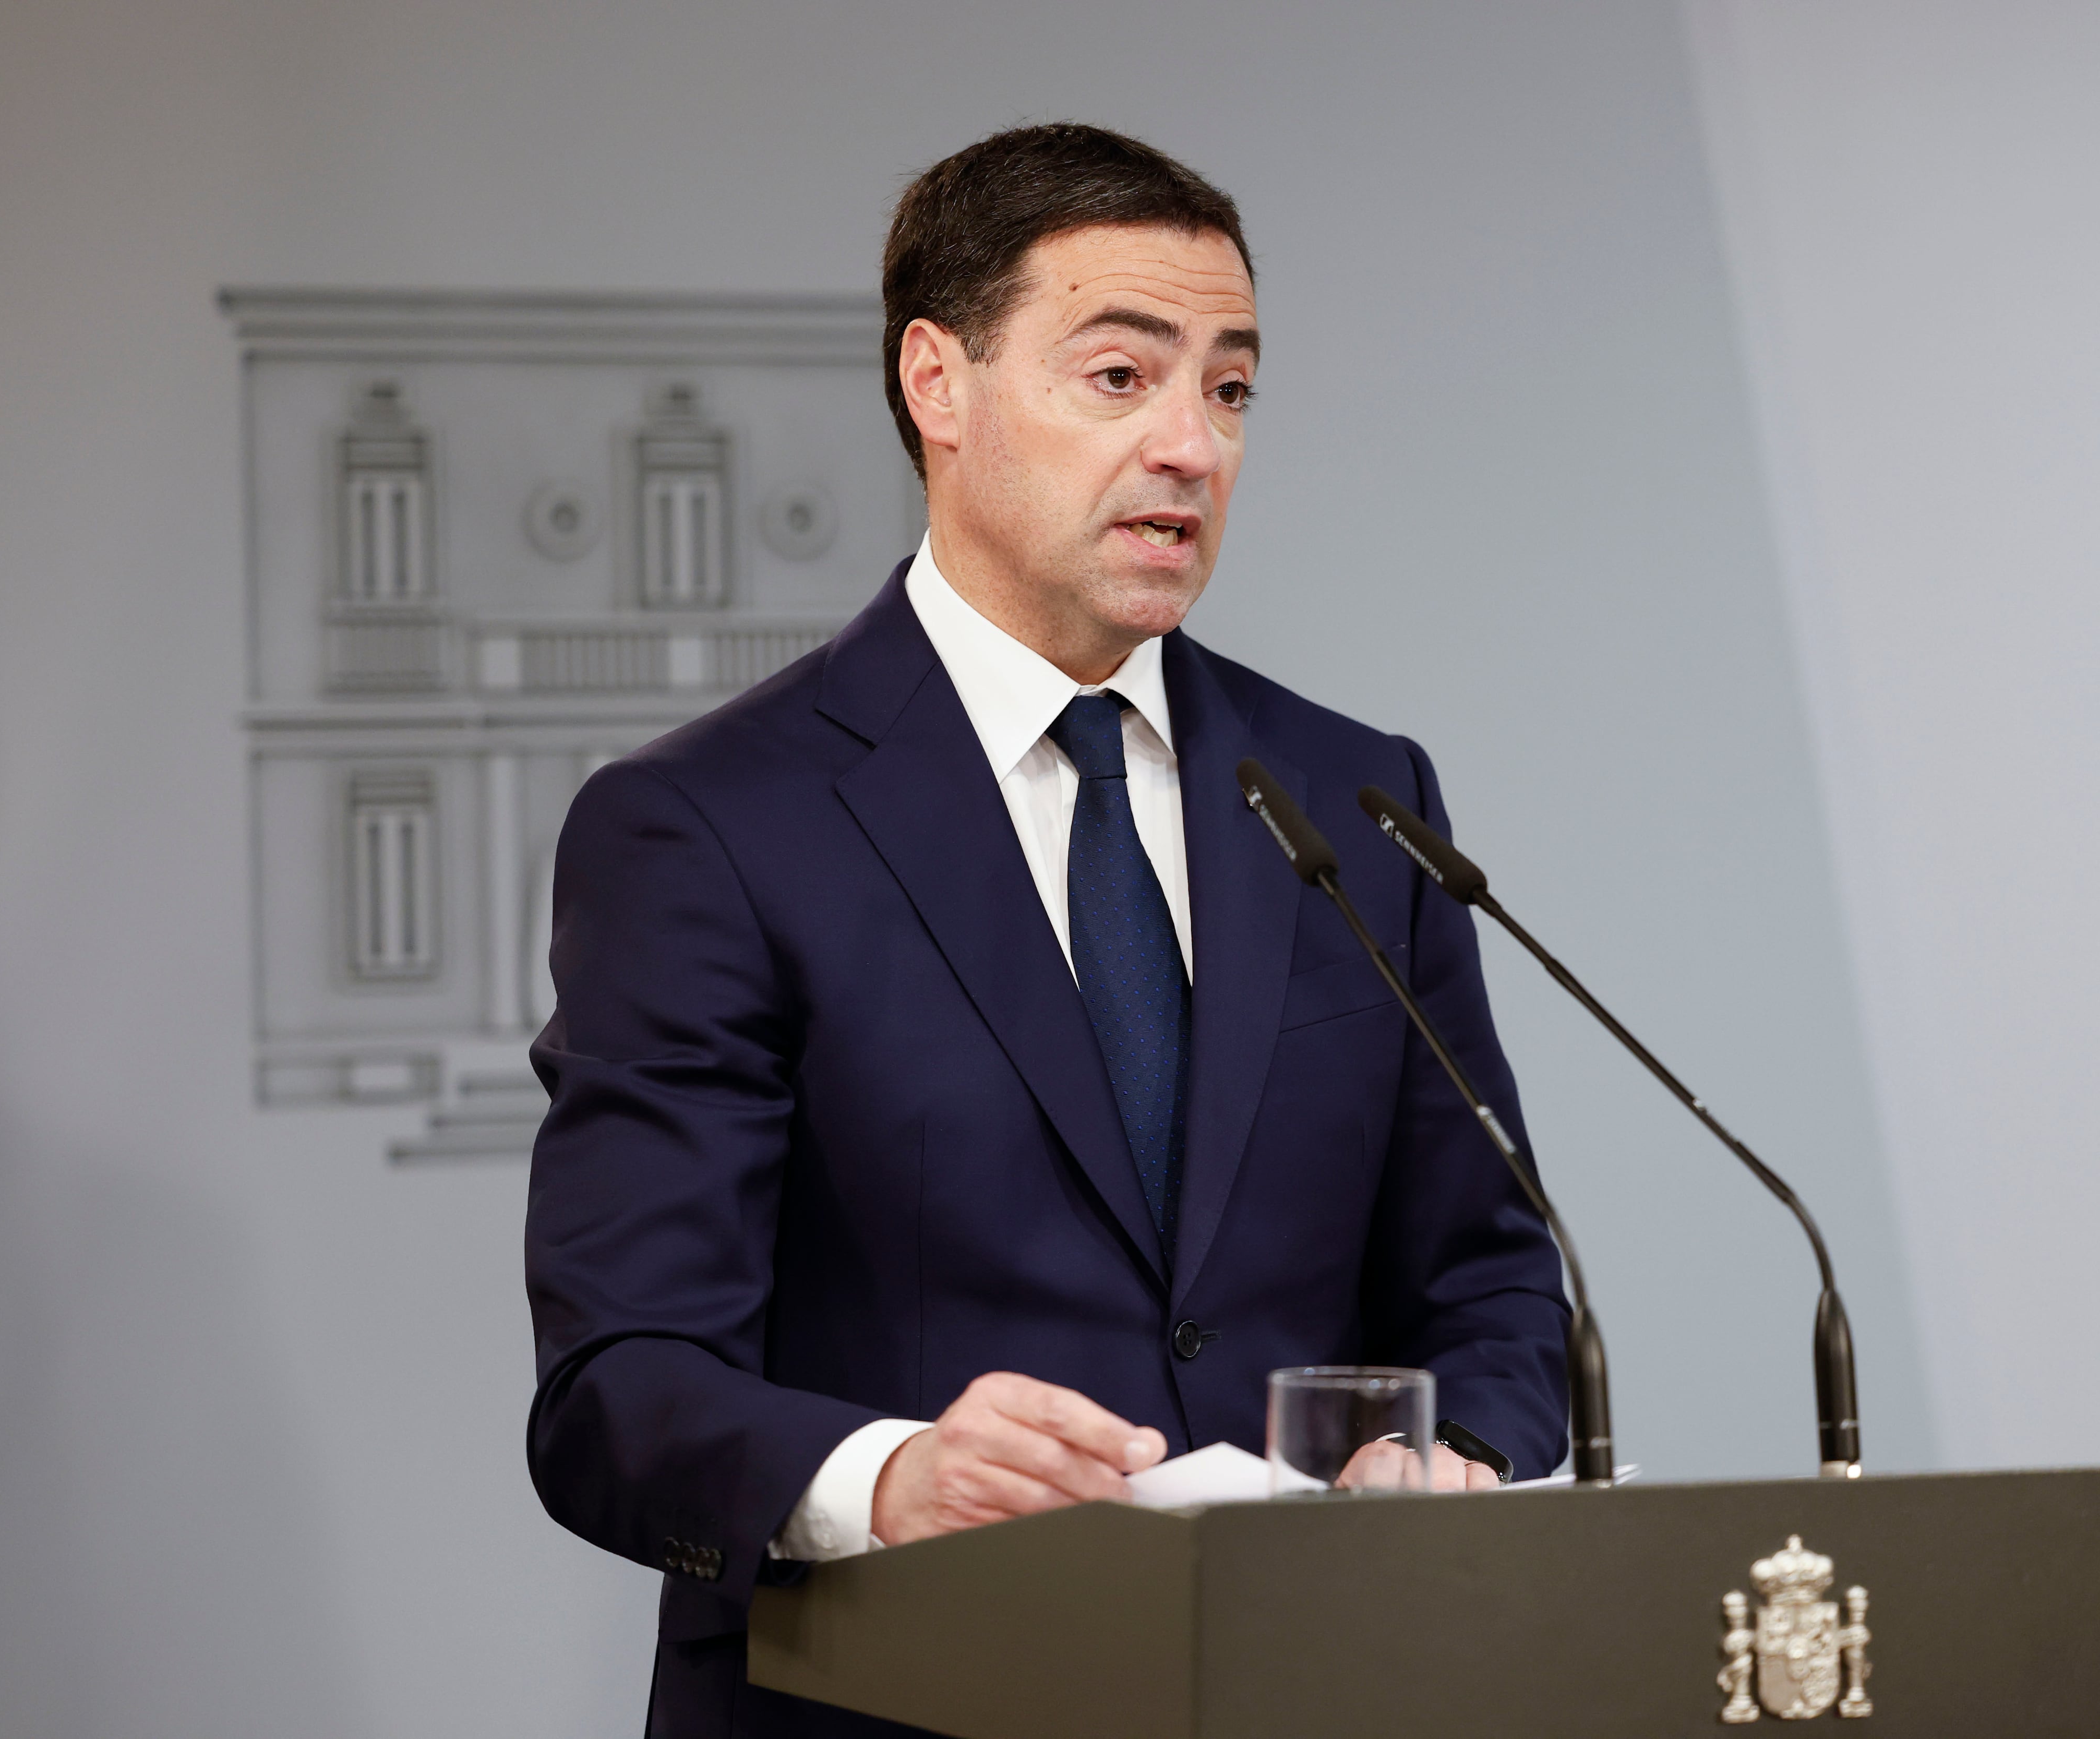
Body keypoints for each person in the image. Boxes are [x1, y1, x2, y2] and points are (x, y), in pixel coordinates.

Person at [524, 122, 1570, 1737]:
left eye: (1229, 389)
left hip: (1312, 1691)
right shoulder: (712, 827)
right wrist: (897, 1474)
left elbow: (1493, 1283)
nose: (1193, 448)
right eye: (1119, 378)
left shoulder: (1354, 799)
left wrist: (1460, 1450)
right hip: (900, 1696)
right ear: (939, 385)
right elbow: (623, 1389)